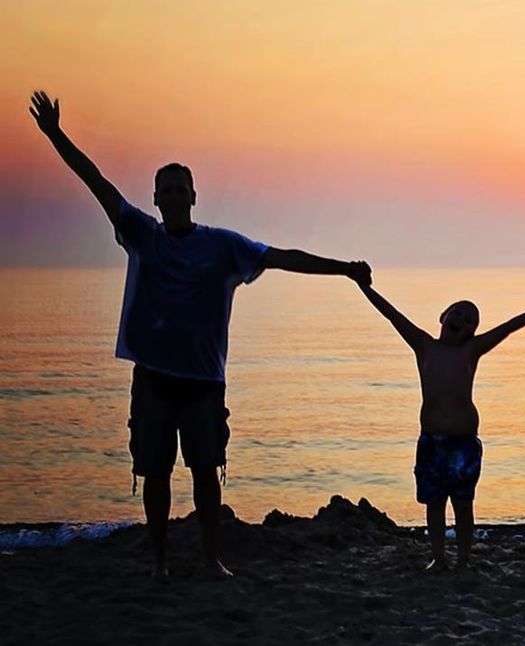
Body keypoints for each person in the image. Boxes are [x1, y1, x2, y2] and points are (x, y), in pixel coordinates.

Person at [29, 90, 372, 579]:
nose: (171, 196)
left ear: (193, 197)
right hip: (153, 378)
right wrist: (55, 134)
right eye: (164, 189)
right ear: (154, 199)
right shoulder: (141, 234)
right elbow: (96, 182)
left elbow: (281, 257)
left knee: (206, 473)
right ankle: (161, 563)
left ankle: (212, 559)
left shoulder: (223, 246)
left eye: (179, 189)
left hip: (203, 382)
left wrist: (344, 269)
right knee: (155, 474)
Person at [355, 281, 525, 571]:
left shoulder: (472, 350)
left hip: (463, 443)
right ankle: (438, 558)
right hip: (432, 441)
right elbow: (391, 314)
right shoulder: (423, 345)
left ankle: (463, 560)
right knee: (434, 504)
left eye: (469, 321)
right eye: (459, 314)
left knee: (463, 505)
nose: (462, 321)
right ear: (443, 315)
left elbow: (510, 327)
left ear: (472, 333)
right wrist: (363, 285)